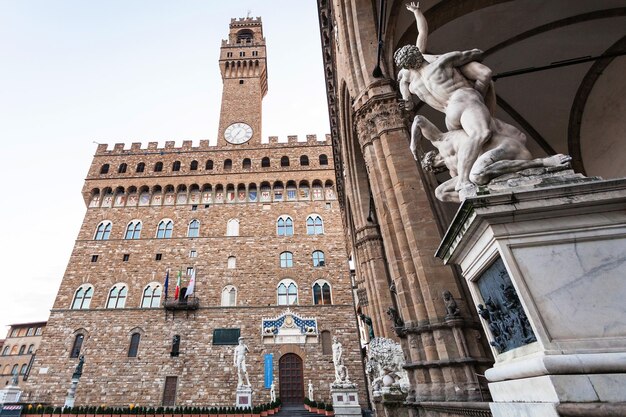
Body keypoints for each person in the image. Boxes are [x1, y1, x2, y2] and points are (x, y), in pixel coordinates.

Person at [396, 2, 496, 193]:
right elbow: (422, 32)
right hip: (465, 99)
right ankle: (464, 180)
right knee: (481, 133)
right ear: (417, 53)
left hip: (450, 115)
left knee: (475, 141)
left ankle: (471, 174)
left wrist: (405, 96)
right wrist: (417, 11)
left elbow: (407, 99)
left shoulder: (411, 80)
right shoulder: (441, 63)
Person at [412, 114, 571, 202]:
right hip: (489, 163)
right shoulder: (454, 170)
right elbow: (448, 188)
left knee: (475, 175)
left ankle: (541, 162)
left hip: (505, 148)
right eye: (433, 165)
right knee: (440, 192)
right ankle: (478, 202)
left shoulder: (440, 139)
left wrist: (414, 145)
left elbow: (419, 120)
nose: (435, 161)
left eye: (432, 159)